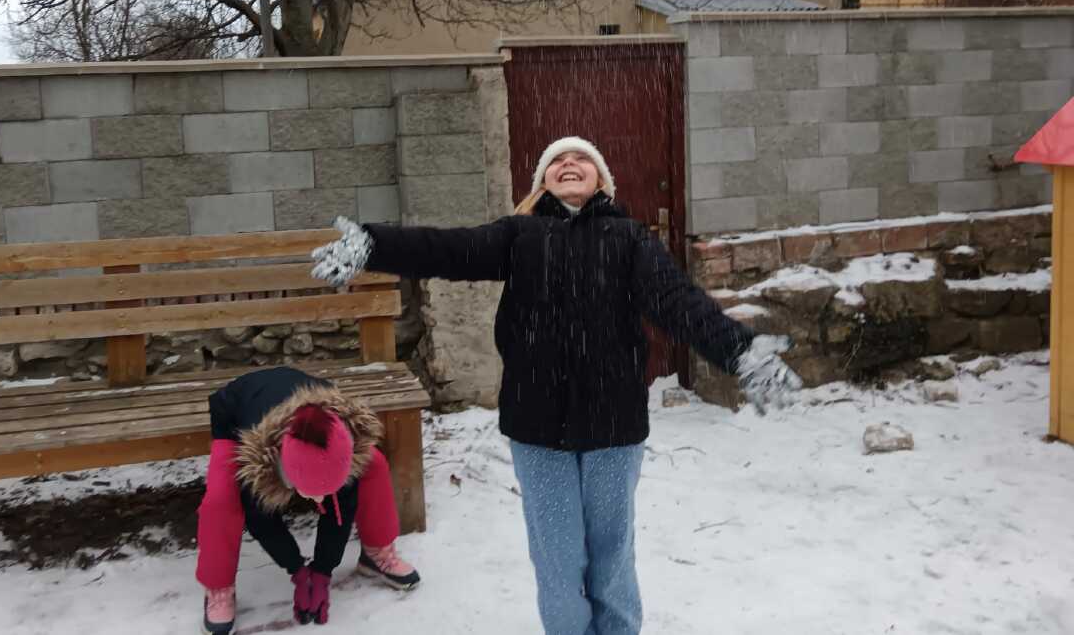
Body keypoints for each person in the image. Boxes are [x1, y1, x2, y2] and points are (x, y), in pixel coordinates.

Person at [311, 136, 801, 635]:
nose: (569, 163)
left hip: (614, 423)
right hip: (536, 424)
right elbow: (449, 249)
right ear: (543, 181)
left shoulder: (629, 238)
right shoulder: (519, 235)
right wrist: (374, 244)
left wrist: (740, 351)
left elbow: (678, 302)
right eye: (557, 160)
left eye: (581, 158)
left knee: (612, 550)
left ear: (601, 180)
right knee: (557, 556)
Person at [195, 366, 421, 634]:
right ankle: (219, 587)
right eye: (313, 492)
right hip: (238, 415)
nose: (320, 499)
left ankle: (377, 553)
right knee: (220, 499)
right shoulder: (258, 461)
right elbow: (260, 519)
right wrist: (298, 571)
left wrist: (323, 571)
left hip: (304, 399)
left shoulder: (347, 443)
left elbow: (340, 510)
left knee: (376, 464)